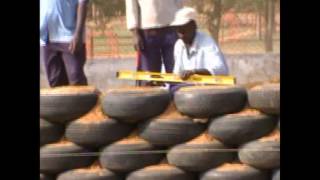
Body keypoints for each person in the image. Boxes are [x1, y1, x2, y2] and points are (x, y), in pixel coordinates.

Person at [125, 0, 186, 86]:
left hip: (172, 28)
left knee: (176, 74)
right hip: (147, 32)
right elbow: (131, 6)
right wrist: (135, 33)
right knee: (149, 79)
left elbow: (179, 2)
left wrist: (181, 23)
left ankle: (176, 98)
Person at [169, 7, 229, 93]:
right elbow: (177, 74)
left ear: (194, 26)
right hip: (188, 88)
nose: (181, 35)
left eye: (184, 30)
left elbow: (221, 69)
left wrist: (195, 72)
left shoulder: (207, 42)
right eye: (178, 31)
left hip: (209, 90)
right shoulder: (178, 45)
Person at [40, 0, 89, 87]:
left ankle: (86, 100)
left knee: (76, 78)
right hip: (46, 37)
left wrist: (78, 34)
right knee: (55, 82)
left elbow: (82, 3)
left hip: (69, 36)